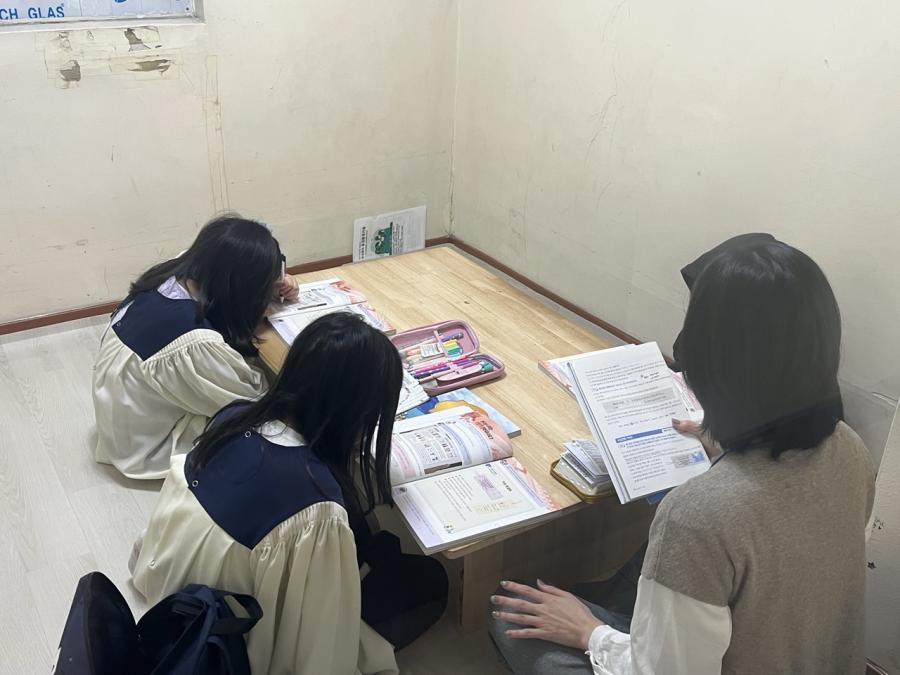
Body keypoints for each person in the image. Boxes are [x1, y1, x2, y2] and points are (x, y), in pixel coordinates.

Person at [489, 240, 875, 674]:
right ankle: (610, 611)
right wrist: (725, 440)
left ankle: (597, 617)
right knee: (667, 559)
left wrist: (589, 632)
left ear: (712, 360)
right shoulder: (849, 448)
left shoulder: (699, 515)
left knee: (508, 618)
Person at [131, 313, 448, 675]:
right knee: (428, 581)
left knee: (369, 538)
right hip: (229, 638)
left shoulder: (233, 417)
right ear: (355, 410)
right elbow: (320, 635)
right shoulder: (315, 505)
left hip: (176, 598)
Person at [92, 215, 300, 479]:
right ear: (241, 287)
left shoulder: (178, 272)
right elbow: (249, 397)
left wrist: (275, 283)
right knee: (277, 430)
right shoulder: (193, 342)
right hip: (147, 443)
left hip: (125, 411)